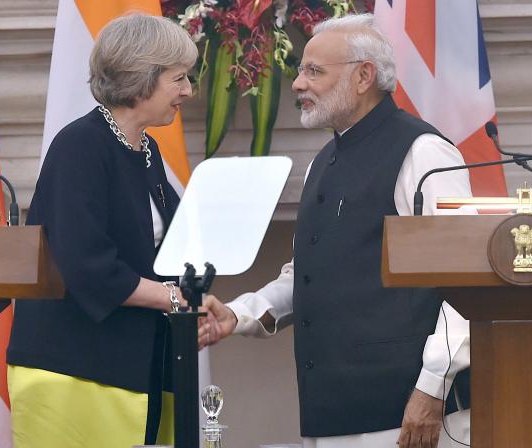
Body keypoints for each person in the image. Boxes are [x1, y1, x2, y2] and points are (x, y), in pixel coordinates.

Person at [199, 14, 472, 448]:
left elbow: (465, 281)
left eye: (314, 72)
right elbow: (308, 276)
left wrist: (431, 390)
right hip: (328, 414)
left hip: (405, 416)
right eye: (300, 70)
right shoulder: (321, 163)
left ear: (364, 76)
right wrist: (239, 313)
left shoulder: (424, 152)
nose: (297, 84)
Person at [6, 14, 196, 448]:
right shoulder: (80, 146)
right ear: (141, 78)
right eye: (179, 78)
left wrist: (197, 296)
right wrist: (175, 299)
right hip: (75, 371)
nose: (188, 91)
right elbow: (88, 265)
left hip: (134, 366)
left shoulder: (144, 151)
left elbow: (175, 248)